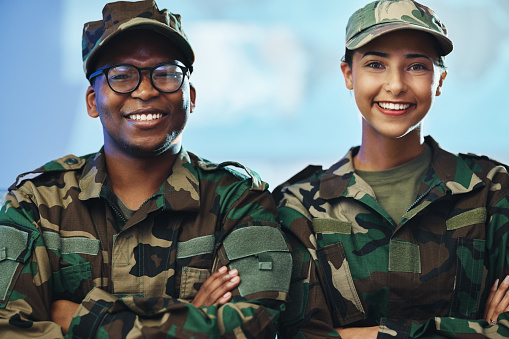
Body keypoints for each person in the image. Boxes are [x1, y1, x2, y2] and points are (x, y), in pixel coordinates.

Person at [0, 1, 292, 337]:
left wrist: (80, 318)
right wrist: (192, 318)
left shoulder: (238, 201)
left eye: (166, 73)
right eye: (122, 76)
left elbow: (256, 327)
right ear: (93, 101)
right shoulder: (34, 202)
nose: (145, 90)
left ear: (191, 96)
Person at [274, 0, 509, 338]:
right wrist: (478, 330)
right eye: (375, 64)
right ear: (348, 75)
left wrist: (360, 335)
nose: (396, 85)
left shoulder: (491, 189)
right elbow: (304, 334)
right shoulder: (301, 205)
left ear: (439, 79)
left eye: (416, 66)